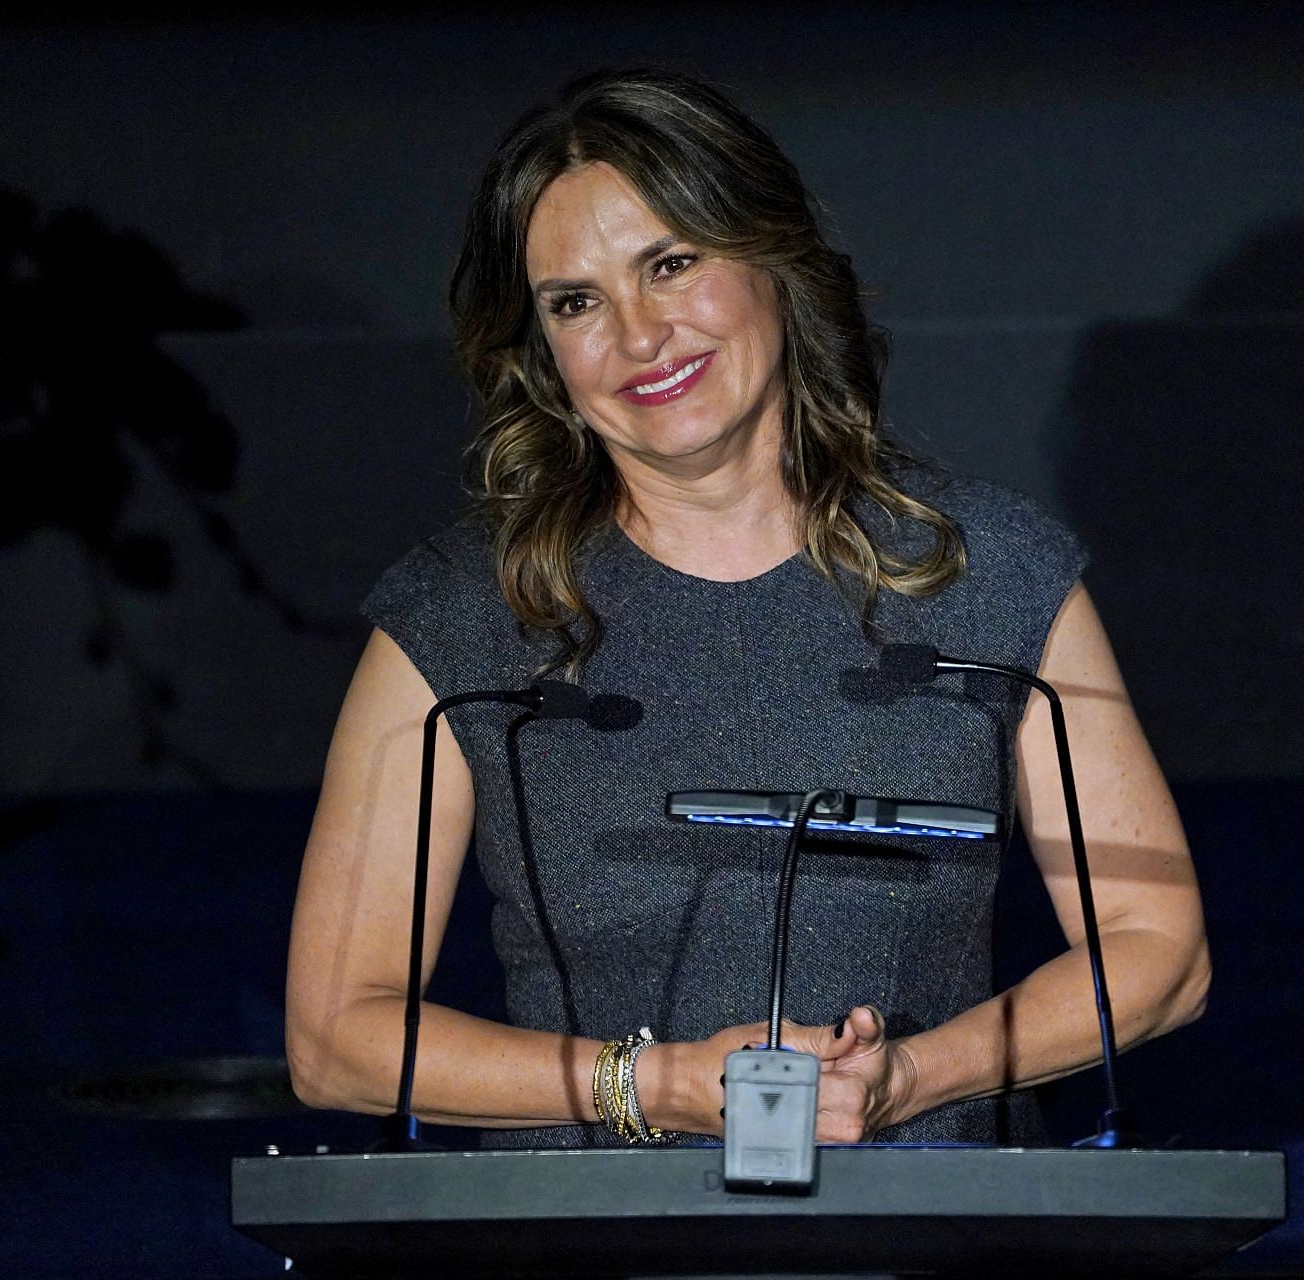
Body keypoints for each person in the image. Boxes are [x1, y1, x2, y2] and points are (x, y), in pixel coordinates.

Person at [285, 68, 1207, 1149]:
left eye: (671, 264)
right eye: (576, 302)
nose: (638, 334)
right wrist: (657, 1084)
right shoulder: (460, 613)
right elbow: (335, 1035)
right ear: (539, 352)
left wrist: (910, 1076)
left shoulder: (989, 570)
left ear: (775, 260)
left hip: (929, 1227)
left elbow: (1159, 948)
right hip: (591, 1239)